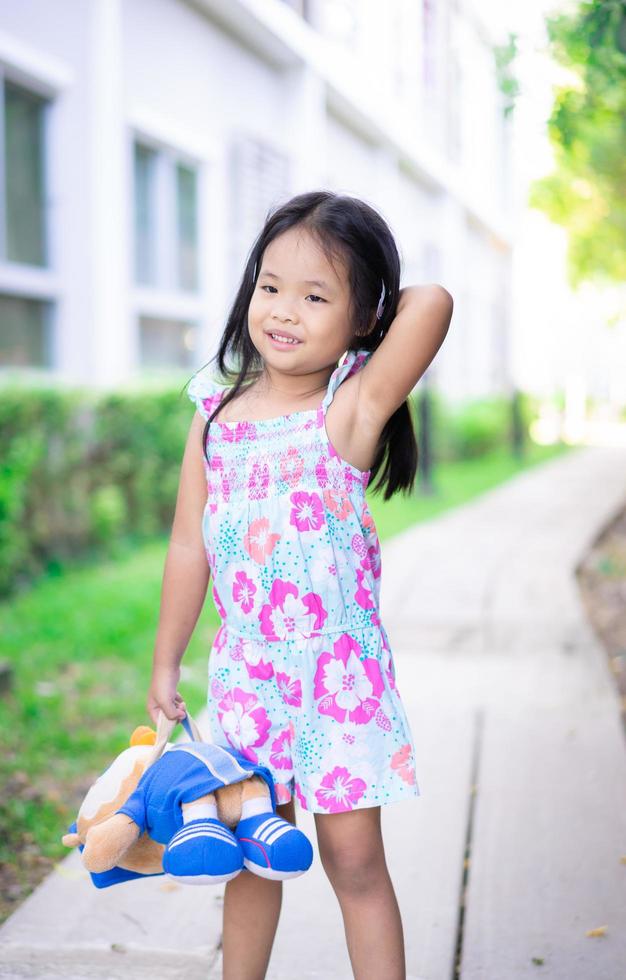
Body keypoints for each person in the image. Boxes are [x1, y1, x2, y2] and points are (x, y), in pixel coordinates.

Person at [147, 190, 453, 979]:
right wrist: (164, 662)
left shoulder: (349, 409)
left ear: (362, 317)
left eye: (316, 296)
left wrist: (372, 320)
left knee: (352, 863)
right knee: (251, 858)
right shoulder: (214, 411)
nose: (284, 311)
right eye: (270, 285)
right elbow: (189, 545)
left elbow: (433, 301)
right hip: (248, 677)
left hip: (336, 683)